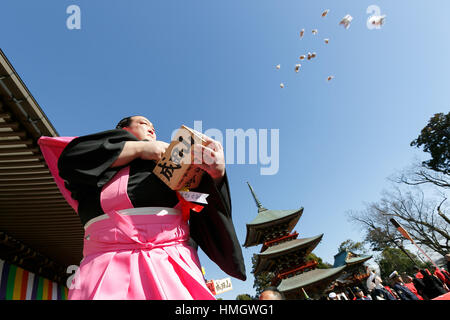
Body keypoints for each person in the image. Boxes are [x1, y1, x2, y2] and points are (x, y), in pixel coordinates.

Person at [53, 115, 246, 299]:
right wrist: (140, 149)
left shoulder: (172, 165)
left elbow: (204, 207)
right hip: (105, 261)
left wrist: (216, 175)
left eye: (153, 126)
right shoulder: (95, 153)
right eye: (144, 123)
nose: (152, 128)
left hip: (171, 258)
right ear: (123, 129)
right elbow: (69, 161)